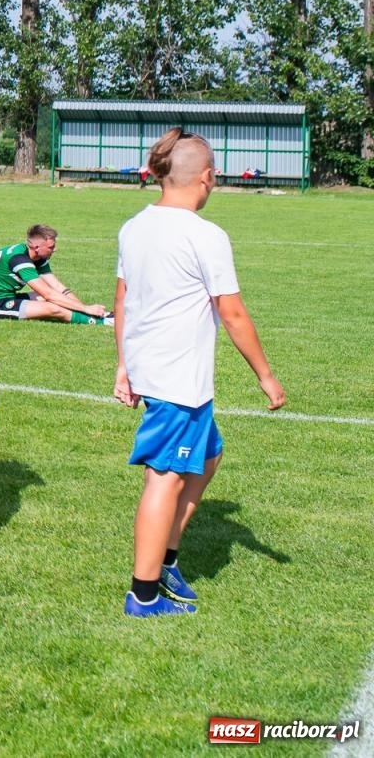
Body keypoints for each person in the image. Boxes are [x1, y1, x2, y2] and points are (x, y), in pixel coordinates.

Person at [114, 127, 286, 617]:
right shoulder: (206, 235)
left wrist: (124, 364)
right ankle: (143, 595)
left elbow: (123, 298)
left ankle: (166, 557)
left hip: (152, 367)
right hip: (176, 378)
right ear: (207, 178)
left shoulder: (135, 225)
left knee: (208, 454)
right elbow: (232, 312)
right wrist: (265, 376)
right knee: (164, 477)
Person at [0, 224, 112, 325]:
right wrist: (86, 309)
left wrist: (84, 309)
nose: (55, 249)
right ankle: (105, 323)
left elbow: (57, 287)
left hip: (10, 296)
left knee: (55, 298)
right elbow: (48, 294)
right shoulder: (19, 260)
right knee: (54, 308)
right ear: (37, 247)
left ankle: (101, 315)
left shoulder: (38, 258)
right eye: (51, 247)